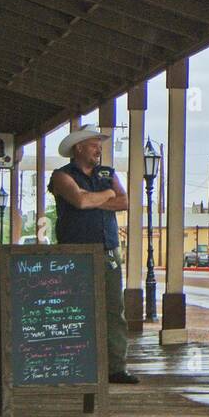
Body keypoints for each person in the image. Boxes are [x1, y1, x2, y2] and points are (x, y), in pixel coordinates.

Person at [49, 125, 137, 384]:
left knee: (113, 310)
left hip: (108, 250)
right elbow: (80, 201)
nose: (99, 149)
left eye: (100, 144)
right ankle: (74, 363)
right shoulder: (61, 176)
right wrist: (107, 194)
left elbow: (124, 201)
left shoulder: (107, 173)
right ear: (78, 147)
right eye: (93, 144)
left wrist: (97, 196)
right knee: (75, 308)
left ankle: (116, 367)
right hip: (75, 252)